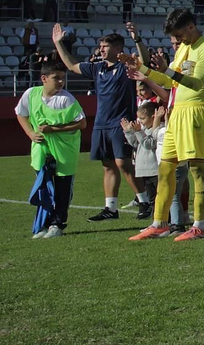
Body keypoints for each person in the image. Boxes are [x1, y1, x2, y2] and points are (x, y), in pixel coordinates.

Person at [124, 9, 204, 243]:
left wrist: (167, 70)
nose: (178, 40)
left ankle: (199, 224)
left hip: (196, 111)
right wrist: (142, 68)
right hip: (176, 113)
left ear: (191, 26)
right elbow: (170, 81)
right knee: (166, 169)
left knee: (198, 168)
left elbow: (197, 82)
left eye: (179, 34)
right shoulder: (185, 49)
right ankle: (159, 223)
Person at [50, 26, 139, 222]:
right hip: (101, 123)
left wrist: (138, 40)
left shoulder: (127, 68)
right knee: (108, 165)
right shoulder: (98, 67)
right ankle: (111, 209)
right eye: (100, 46)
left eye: (105, 46)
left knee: (123, 163)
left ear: (117, 49)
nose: (101, 50)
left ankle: (145, 200)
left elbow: (145, 63)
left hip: (121, 123)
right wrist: (58, 43)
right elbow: (73, 66)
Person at [17, 57, 87, 238]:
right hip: (41, 151)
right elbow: (21, 114)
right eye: (57, 78)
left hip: (65, 153)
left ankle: (58, 224)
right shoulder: (31, 94)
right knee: (44, 188)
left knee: (62, 190)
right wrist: (31, 134)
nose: (61, 82)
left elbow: (82, 123)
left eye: (63, 78)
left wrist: (53, 129)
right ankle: (44, 224)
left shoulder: (66, 99)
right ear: (44, 78)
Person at [121, 102, 163, 221]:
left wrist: (139, 132)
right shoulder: (143, 129)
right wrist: (128, 132)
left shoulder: (158, 129)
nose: (140, 121)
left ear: (153, 117)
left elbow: (149, 144)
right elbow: (135, 143)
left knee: (158, 197)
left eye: (143, 118)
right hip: (144, 170)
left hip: (154, 170)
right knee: (151, 197)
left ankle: (161, 220)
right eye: (139, 118)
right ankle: (156, 220)